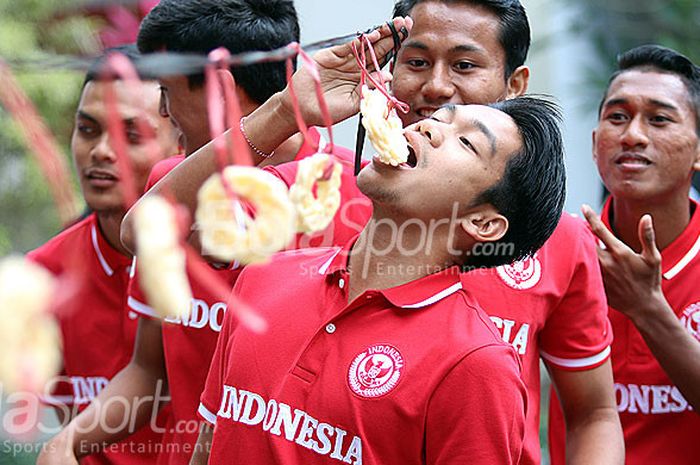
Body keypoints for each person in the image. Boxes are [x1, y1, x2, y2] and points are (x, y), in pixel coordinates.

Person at [39, 3, 401, 465]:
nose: (164, 113)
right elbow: (151, 371)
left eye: (166, 92)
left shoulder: (348, 195)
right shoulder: (173, 186)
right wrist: (68, 443)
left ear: (217, 89)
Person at [194, 96, 566, 465]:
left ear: (482, 224)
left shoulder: (475, 366)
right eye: (439, 117)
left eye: (467, 142)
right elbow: (208, 447)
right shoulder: (264, 275)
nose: (428, 127)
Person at [388, 1, 623, 464]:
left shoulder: (560, 241)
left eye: (464, 65)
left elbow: (594, 412)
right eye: (415, 62)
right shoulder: (323, 197)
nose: (435, 87)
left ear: (515, 85)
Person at [549, 44, 700, 465]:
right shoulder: (558, 249)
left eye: (659, 119)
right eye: (617, 117)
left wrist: (647, 309)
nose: (632, 134)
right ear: (596, 144)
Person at [29, 44, 180, 465]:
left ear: (183, 142)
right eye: (89, 129)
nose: (101, 152)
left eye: (131, 135)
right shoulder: (41, 278)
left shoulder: (223, 261)